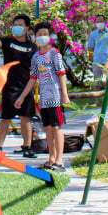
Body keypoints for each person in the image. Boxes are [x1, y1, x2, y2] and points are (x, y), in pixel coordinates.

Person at [15, 21, 68, 171]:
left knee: (57, 128)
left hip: (56, 96)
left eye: (45, 35)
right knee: (48, 129)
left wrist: (64, 94)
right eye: (39, 35)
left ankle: (59, 160)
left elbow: (61, 74)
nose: (42, 37)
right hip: (44, 98)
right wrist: (22, 97)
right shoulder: (36, 57)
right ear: (35, 36)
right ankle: (51, 158)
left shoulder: (54, 53)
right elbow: (33, 79)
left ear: (50, 36)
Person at [0, 13, 36, 157]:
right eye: (15, 25)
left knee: (26, 118)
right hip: (10, 87)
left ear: (27, 28)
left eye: (20, 25)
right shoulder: (8, 42)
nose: (17, 27)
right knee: (5, 118)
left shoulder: (32, 47)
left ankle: (27, 147)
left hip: (26, 87)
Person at [87, 22, 108, 86]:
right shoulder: (93, 34)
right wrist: (90, 58)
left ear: (105, 22)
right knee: (97, 83)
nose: (99, 23)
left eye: (101, 21)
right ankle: (96, 96)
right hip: (97, 61)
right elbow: (90, 47)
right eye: (97, 21)